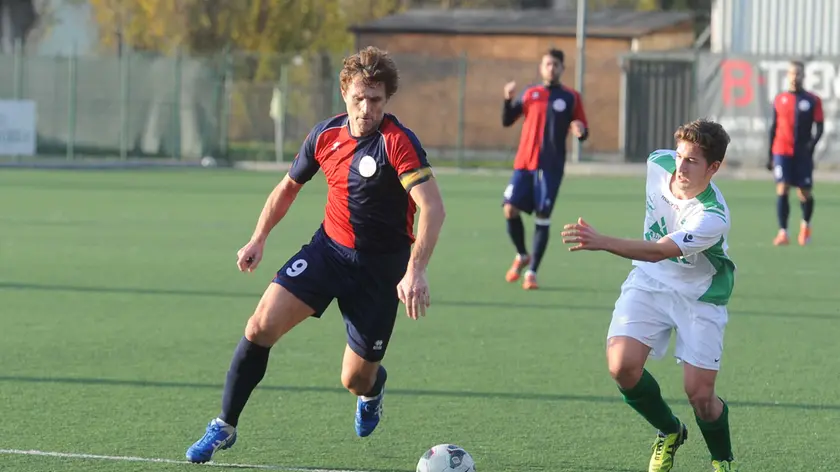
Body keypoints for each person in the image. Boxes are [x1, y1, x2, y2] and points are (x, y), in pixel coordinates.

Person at [185, 46, 446, 464]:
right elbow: (289, 187)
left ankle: (373, 390)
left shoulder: (398, 143)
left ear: (386, 99)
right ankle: (225, 424)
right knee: (259, 325)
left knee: (355, 379)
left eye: (376, 100)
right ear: (345, 92)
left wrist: (416, 270)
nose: (366, 108)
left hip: (381, 271)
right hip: (328, 252)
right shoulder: (325, 135)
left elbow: (433, 207)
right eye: (359, 97)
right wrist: (258, 238)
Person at [561, 119, 739, 472]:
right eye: (680, 155)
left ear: (713, 168)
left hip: (699, 296)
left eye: (692, 161)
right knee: (621, 366)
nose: (681, 166)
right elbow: (654, 262)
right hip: (650, 283)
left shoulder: (712, 216)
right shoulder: (658, 162)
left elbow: (659, 251)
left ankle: (722, 461)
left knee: (700, 396)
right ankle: (669, 430)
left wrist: (603, 242)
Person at [501, 48, 588, 290]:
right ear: (541, 67)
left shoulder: (571, 97)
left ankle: (532, 272)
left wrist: (580, 130)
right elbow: (508, 120)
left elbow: (582, 127)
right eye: (547, 64)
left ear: (562, 68)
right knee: (509, 209)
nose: (551, 68)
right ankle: (522, 254)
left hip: (550, 168)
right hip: (524, 164)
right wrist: (508, 99)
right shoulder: (531, 93)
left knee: (542, 216)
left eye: (556, 64)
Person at [767, 60, 823, 246]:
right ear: (787, 76)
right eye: (791, 73)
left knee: (804, 193)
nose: (794, 76)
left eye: (798, 73)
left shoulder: (812, 100)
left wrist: (811, 147)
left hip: (802, 155)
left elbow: (820, 127)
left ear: (803, 76)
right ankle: (783, 232)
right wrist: (770, 155)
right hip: (782, 151)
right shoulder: (780, 99)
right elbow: (773, 127)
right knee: (782, 189)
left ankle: (805, 226)